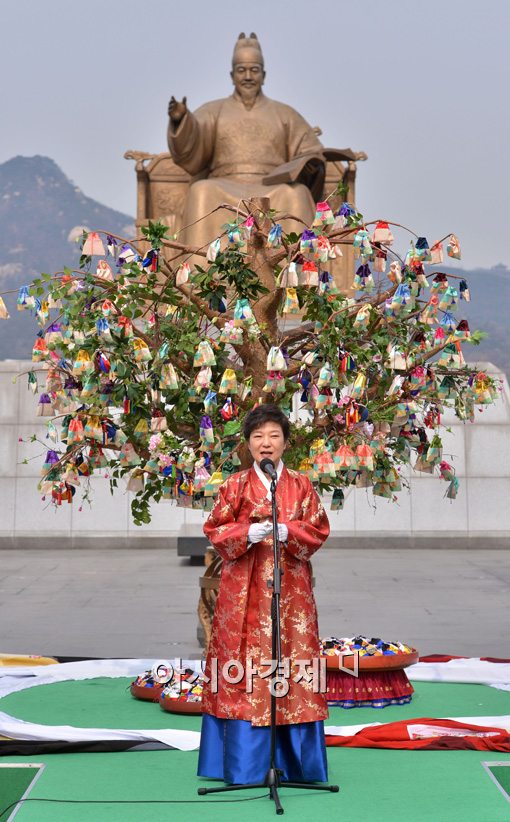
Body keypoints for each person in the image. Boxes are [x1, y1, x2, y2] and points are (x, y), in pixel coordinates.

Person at [197, 404, 330, 785]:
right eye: (258, 437)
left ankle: (295, 763)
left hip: (291, 593)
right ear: (248, 445)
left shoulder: (302, 484)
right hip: (243, 591)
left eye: (273, 436)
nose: (266, 443)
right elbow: (214, 528)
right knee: (242, 666)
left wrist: (292, 532)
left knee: (294, 662)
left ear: (286, 442)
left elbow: (318, 529)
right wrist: (244, 533)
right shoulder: (235, 485)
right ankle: (243, 764)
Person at [167, 33, 325, 248]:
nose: (248, 76)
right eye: (242, 71)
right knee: (201, 190)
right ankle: (199, 275)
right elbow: (191, 144)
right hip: (223, 184)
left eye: (254, 70)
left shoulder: (285, 114)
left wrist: (310, 162)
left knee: (297, 193)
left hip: (273, 185)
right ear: (232, 76)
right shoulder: (214, 110)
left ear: (264, 75)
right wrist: (181, 121)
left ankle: (299, 274)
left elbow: (310, 149)